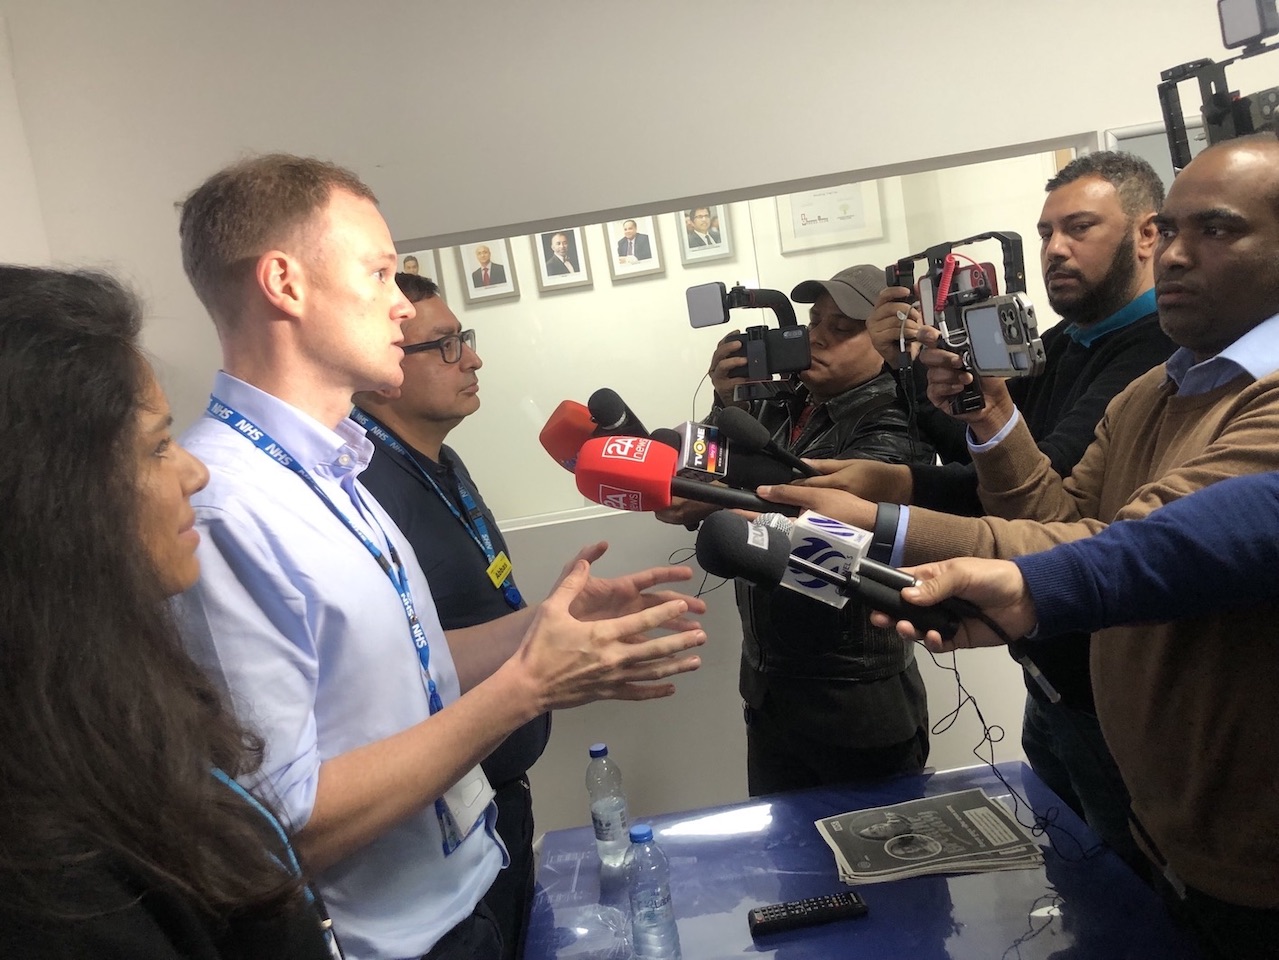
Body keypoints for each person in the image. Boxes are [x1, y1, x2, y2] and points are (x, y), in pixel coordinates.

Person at [172, 153, 707, 960]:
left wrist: (539, 628)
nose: (399, 305)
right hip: (388, 944)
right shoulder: (223, 508)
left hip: (473, 886)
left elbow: (403, 664)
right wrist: (527, 689)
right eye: (381, 273)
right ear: (284, 284)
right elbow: (276, 834)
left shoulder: (339, 464)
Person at [757, 134, 1279, 959]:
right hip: (1159, 813)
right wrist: (988, 415)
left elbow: (1117, 546)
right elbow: (1054, 507)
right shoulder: (1158, 387)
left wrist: (885, 520)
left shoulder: (1260, 402)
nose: (1174, 255)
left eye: (1212, 230)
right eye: (1171, 229)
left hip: (1253, 856)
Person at [837, 151, 1176, 870]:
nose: (1054, 248)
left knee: (1134, 890)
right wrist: (913, 383)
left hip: (1109, 688)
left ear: (1147, 235)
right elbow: (984, 464)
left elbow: (1038, 492)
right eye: (1045, 231)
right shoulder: (1061, 346)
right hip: (1047, 671)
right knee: (1076, 874)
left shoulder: (1155, 355)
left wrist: (884, 498)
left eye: (1078, 228)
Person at [0, 265, 335, 958]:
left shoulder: (101, 698)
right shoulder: (46, 870)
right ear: (53, 500)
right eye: (157, 445)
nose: (194, 472)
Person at [883, 471, 1279, 959]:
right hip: (1167, 825)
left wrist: (1031, 585)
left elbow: (1225, 523)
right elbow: (1065, 517)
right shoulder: (1138, 398)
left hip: (1245, 860)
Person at [658, 264, 935, 796]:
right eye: (814, 321)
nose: (817, 336)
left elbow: (843, 561)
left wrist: (748, 525)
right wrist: (727, 403)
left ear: (886, 338)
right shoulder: (782, 407)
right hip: (770, 693)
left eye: (843, 327)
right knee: (790, 874)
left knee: (880, 873)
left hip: (855, 705)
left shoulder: (897, 422)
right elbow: (712, 479)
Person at [351, 273, 542, 960]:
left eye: (465, 339)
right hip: (441, 822)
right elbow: (398, 664)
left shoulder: (443, 462)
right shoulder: (365, 490)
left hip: (497, 798)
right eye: (445, 345)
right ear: (381, 372)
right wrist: (542, 638)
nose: (472, 358)